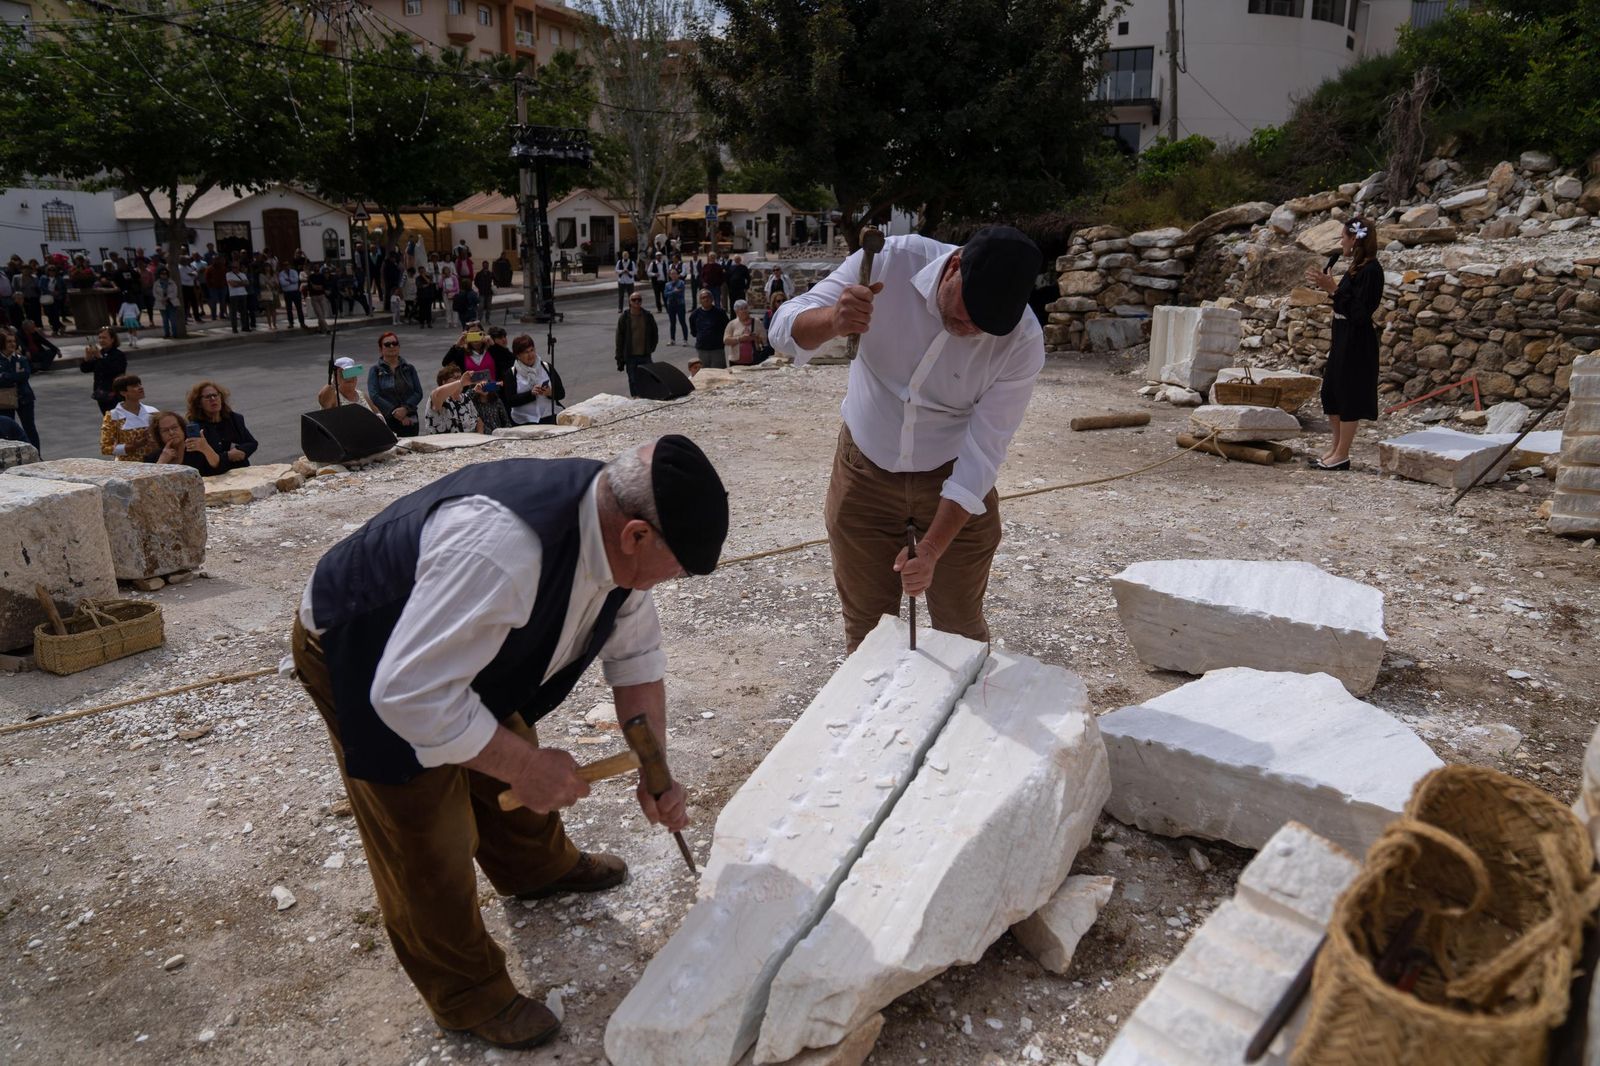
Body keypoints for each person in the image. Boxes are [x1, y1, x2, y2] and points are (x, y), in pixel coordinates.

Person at [288, 437, 726, 1050]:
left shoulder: (615, 530)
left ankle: (534, 870)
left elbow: (636, 659)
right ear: (635, 535)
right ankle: (465, 994)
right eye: (678, 565)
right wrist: (523, 768)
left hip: (456, 648)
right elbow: (410, 694)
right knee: (427, 832)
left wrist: (657, 771)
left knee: (505, 744)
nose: (674, 578)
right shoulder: (503, 551)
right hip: (368, 646)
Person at [768, 225, 1044, 651]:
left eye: (984, 326)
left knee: (960, 632)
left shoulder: (1022, 342)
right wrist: (834, 320)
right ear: (954, 267)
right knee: (868, 632)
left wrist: (932, 548)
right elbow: (782, 328)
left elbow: (982, 456)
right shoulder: (889, 263)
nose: (969, 328)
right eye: (967, 311)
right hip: (864, 473)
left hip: (952, 477)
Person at [1304, 216, 1383, 471]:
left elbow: (1360, 313)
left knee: (1349, 394)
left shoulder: (1372, 271)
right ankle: (1335, 448)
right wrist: (1329, 288)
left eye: (1343, 237)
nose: (1341, 242)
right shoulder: (1355, 268)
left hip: (1356, 340)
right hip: (1342, 335)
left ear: (1355, 239)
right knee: (1332, 391)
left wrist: (1334, 290)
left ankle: (1342, 453)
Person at [443, 326, 510, 431]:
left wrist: (493, 345)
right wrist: (457, 345)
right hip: (472, 397)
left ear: (483, 334)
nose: (475, 338)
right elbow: (445, 363)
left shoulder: (492, 350)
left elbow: (510, 359)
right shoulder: (462, 353)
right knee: (476, 428)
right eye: (471, 334)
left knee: (499, 425)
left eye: (478, 333)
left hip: (494, 395)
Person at [186, 380, 257, 476]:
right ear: (199, 403)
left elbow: (252, 443)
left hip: (240, 473)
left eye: (215, 395)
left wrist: (241, 450)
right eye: (207, 397)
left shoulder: (234, 419)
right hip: (215, 477)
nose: (213, 399)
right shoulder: (196, 428)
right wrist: (228, 456)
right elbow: (201, 462)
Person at [370, 331, 424, 437]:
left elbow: (418, 393)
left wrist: (405, 409)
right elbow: (374, 395)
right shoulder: (375, 370)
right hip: (388, 420)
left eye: (394, 343)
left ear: (399, 347)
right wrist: (394, 411)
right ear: (380, 349)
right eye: (387, 344)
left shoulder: (409, 368)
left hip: (409, 419)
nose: (392, 346)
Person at [504, 334, 561, 426]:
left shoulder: (546, 367)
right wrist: (530, 394)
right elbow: (510, 400)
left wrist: (550, 393)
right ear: (518, 355)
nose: (530, 355)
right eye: (526, 352)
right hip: (523, 421)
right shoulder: (511, 373)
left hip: (549, 416)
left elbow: (561, 393)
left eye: (532, 350)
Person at [100, 374, 158, 462]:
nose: (140, 387)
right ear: (123, 393)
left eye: (140, 384)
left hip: (154, 463)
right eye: (134, 386)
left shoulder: (153, 411)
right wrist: (132, 447)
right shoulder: (113, 416)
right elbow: (105, 448)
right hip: (128, 465)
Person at [144, 408, 220, 472]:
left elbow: (218, 466)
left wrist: (206, 449)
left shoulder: (197, 450)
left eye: (174, 427)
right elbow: (148, 482)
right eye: (165, 430)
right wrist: (161, 462)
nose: (171, 432)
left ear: (182, 429)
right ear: (159, 435)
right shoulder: (153, 458)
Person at [0, 329, 39, 452]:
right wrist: (14, 376)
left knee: (30, 428)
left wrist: (5, 376)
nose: (13, 344)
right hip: (5, 399)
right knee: (7, 428)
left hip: (24, 397)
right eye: (9, 341)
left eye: (14, 341)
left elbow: (25, 375)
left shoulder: (21, 359)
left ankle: (36, 453)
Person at [614, 290, 659, 397]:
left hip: (645, 355)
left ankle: (648, 398)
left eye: (639, 300)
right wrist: (619, 357)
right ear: (630, 302)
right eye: (634, 300)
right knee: (633, 380)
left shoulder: (647, 316)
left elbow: (655, 333)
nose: (637, 302)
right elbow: (619, 339)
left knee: (648, 378)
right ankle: (635, 399)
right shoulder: (624, 318)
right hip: (631, 356)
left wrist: (651, 348)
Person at [424, 365, 486, 435]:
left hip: (470, 440)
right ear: (444, 382)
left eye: (460, 377)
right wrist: (461, 382)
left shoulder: (465, 398)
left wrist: (480, 437)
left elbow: (478, 421)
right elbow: (437, 394)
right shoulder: (440, 397)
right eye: (456, 377)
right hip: (444, 441)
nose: (460, 379)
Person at [79, 327, 128, 413]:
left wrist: (100, 358)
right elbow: (85, 369)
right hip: (101, 394)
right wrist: (87, 359)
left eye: (104, 338)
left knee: (118, 417)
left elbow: (115, 370)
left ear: (112, 339)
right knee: (107, 418)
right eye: (100, 338)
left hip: (115, 394)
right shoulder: (100, 353)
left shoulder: (118, 355)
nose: (101, 340)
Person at [318, 356, 383, 416]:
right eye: (345, 373)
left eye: (352, 373)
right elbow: (323, 401)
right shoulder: (334, 396)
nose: (350, 378)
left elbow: (377, 413)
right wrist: (334, 381)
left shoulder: (361, 394)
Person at [687, 288, 729, 370]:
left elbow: (727, 328)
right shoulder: (695, 314)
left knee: (718, 373)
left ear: (712, 299)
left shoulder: (720, 313)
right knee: (704, 373)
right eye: (703, 298)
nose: (706, 299)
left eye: (708, 297)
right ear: (700, 300)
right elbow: (694, 331)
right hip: (702, 349)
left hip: (717, 349)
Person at [722, 300, 767, 367]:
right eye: (741, 309)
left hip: (754, 360)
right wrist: (740, 339)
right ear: (736, 312)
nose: (744, 311)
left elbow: (764, 340)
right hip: (736, 361)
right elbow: (726, 340)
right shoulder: (732, 324)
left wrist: (754, 338)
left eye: (745, 308)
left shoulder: (757, 322)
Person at [153, 266, 182, 338]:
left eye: (165, 273)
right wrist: (162, 299)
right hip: (161, 303)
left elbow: (175, 292)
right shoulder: (156, 283)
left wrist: (167, 297)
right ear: (159, 274)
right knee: (165, 320)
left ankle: (175, 334)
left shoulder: (172, 282)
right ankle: (167, 334)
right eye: (162, 273)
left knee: (173, 319)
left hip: (171, 302)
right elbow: (155, 293)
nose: (164, 275)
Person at [226, 259, 254, 333]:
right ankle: (234, 328)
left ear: (238, 267)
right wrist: (242, 283)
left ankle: (245, 326)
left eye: (236, 267)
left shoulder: (242, 274)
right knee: (233, 312)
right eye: (233, 267)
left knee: (244, 311)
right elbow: (232, 284)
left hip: (243, 294)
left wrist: (237, 282)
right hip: (233, 295)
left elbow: (247, 283)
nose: (234, 269)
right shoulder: (228, 274)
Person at [279, 261, 307, 329]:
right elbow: (283, 283)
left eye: (287, 265)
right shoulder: (281, 273)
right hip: (287, 293)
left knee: (299, 308)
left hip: (295, 292)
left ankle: (302, 323)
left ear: (289, 265)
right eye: (285, 265)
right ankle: (291, 323)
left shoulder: (294, 272)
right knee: (289, 309)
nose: (286, 266)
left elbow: (296, 280)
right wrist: (291, 281)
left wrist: (288, 280)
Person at [663, 268, 687, 345]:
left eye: (675, 273)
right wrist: (674, 291)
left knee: (682, 321)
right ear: (670, 275)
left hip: (680, 304)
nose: (673, 275)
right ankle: (672, 339)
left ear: (677, 275)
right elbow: (665, 294)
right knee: (672, 322)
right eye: (672, 274)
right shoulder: (667, 284)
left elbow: (680, 293)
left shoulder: (681, 283)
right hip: (671, 305)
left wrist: (671, 292)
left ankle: (685, 340)